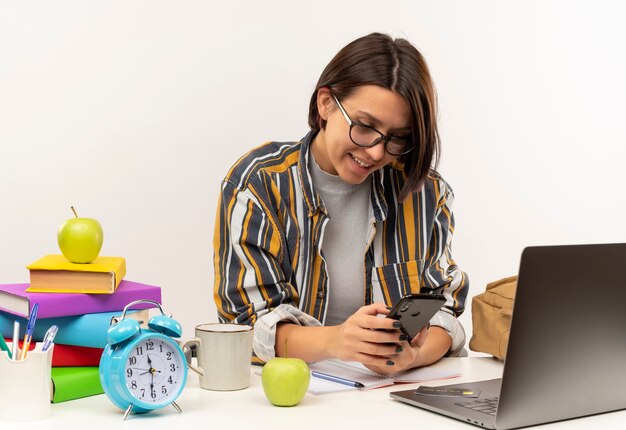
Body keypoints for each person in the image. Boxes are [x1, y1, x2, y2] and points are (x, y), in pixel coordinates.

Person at [213, 32, 468, 375]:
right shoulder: (259, 184)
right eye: (365, 127)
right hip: (290, 401)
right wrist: (338, 341)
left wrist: (412, 357)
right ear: (326, 104)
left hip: (396, 397)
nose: (377, 151)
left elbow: (445, 311)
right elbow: (245, 326)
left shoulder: (425, 193)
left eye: (398, 138)